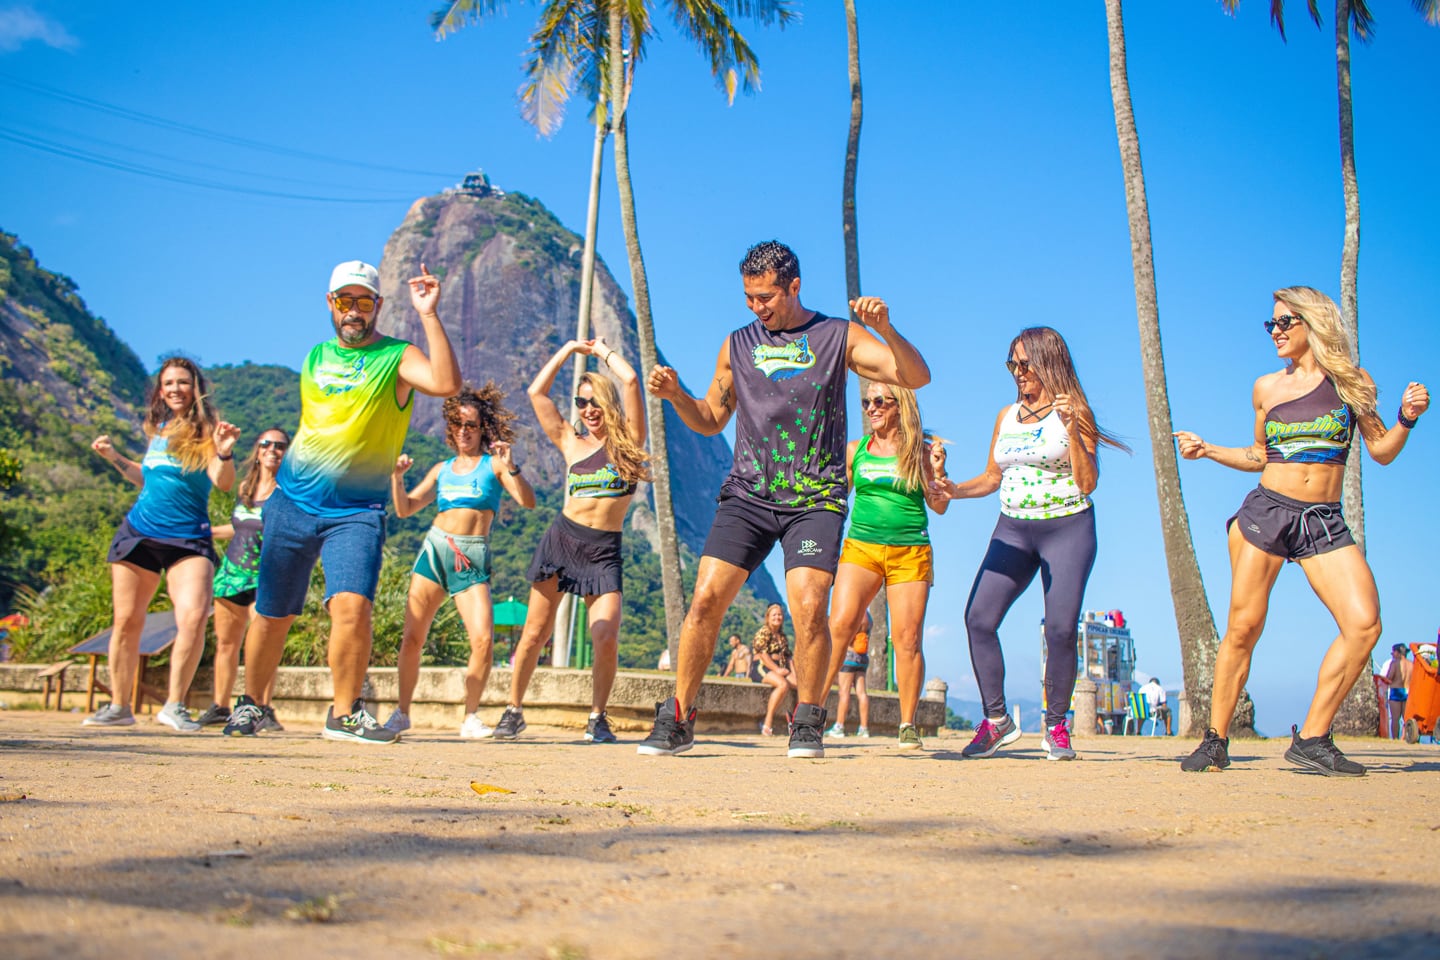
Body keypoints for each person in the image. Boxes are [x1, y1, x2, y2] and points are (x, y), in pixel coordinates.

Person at [638, 239, 931, 758]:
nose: (757, 307)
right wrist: (677, 395)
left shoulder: (837, 336)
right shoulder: (737, 344)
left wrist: (885, 330)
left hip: (814, 497)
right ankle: (679, 717)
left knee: (811, 606)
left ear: (794, 286)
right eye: (749, 298)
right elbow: (710, 418)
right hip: (749, 494)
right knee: (705, 599)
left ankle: (808, 720)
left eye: (766, 297)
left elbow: (916, 376)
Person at [1175, 286, 1429, 776]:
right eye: (1270, 323)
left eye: (1284, 322)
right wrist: (1207, 450)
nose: (1274, 331)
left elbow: (1381, 450)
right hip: (1267, 513)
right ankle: (1215, 740)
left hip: (1322, 520)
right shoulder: (1266, 388)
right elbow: (1259, 455)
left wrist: (1406, 418)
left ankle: (1312, 737)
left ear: (1313, 323)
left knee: (1364, 625)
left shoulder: (1352, 383)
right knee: (1244, 627)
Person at [223, 260, 459, 742]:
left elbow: (445, 383)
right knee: (273, 612)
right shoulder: (315, 357)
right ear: (330, 304)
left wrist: (429, 314)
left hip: (355, 511)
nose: (354, 310)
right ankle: (251, 704)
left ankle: (345, 713)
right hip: (291, 503)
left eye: (364, 301)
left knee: (352, 606)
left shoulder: (397, 356)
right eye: (345, 301)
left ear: (378, 306)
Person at [933, 327, 1127, 761]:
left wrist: (1073, 431)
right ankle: (996, 721)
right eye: (1012, 364)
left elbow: (1088, 482)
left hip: (1067, 527)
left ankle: (1056, 726)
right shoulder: (1006, 416)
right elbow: (992, 477)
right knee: (978, 618)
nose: (1018, 372)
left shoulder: (1074, 412)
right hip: (1013, 528)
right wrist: (953, 491)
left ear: (1049, 362)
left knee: (1060, 629)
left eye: (1025, 364)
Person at [491, 338, 648, 744]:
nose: (588, 410)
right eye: (581, 403)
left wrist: (601, 352)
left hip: (603, 551)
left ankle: (597, 717)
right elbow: (536, 393)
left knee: (606, 636)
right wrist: (567, 350)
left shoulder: (630, 442)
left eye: (595, 402)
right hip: (562, 542)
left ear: (608, 403)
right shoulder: (570, 441)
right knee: (533, 634)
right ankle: (513, 709)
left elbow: (631, 380)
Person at [85, 357, 240, 730]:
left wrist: (224, 451)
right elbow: (148, 479)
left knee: (193, 617)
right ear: (160, 390)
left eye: (182, 382)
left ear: (195, 388)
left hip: (188, 537)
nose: (175, 389)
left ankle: (174, 705)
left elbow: (223, 482)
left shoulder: (208, 432)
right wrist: (113, 457)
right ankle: (119, 707)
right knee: (126, 620)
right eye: (168, 383)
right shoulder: (158, 429)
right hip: (139, 532)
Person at [383, 384, 536, 738]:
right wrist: (396, 478)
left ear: (482, 429)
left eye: (471, 425)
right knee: (412, 638)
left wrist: (512, 467)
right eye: (457, 424)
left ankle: (470, 716)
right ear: (450, 428)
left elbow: (528, 502)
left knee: (482, 639)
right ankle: (402, 712)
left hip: (470, 556)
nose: (464, 431)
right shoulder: (442, 469)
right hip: (435, 550)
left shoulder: (493, 465)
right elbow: (405, 509)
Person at [824, 382, 950, 750]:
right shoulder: (856, 450)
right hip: (861, 548)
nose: (871, 408)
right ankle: (811, 711)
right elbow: (835, 499)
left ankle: (907, 724)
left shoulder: (921, 452)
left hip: (909, 551)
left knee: (907, 639)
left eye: (880, 401)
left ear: (900, 406)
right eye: (867, 402)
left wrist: (939, 473)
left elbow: (940, 506)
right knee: (839, 626)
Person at [197, 428, 289, 730]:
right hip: (232, 575)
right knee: (226, 643)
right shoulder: (246, 488)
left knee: (262, 642)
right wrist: (208, 531)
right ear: (257, 450)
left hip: (267, 576)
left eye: (280, 445)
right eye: (266, 444)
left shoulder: (289, 491)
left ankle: (262, 706)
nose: (272, 449)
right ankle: (220, 706)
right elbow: (242, 526)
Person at [752, 603, 796, 736]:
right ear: (768, 617)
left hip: (780, 667)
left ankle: (797, 721)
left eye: (780, 614)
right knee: (783, 685)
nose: (777, 617)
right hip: (762, 667)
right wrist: (777, 669)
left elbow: (789, 658)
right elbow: (763, 654)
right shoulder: (764, 632)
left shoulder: (782, 636)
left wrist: (794, 674)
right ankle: (767, 722)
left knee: (800, 686)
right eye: (774, 615)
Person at [827, 612, 873, 740]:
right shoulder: (868, 618)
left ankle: (839, 726)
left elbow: (846, 634)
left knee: (844, 692)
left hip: (849, 655)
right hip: (862, 656)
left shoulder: (855, 614)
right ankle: (864, 728)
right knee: (862, 693)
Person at [1380, 644, 1412, 742]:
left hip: (1396, 690)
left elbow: (1389, 678)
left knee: (1395, 718)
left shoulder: (1394, 663)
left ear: (1398, 653)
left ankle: (1395, 739)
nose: (1392, 655)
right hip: (1408, 691)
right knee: (1406, 718)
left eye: (1393, 652)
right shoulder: (1411, 664)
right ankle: (1404, 738)